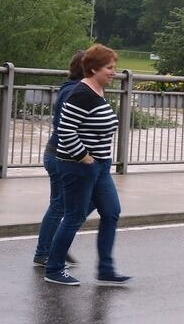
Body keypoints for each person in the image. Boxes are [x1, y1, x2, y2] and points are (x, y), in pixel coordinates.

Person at [44, 44, 130, 287]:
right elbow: (65, 129)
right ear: (93, 69)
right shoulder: (81, 93)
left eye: (114, 67)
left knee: (111, 212)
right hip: (78, 166)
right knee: (74, 217)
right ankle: (53, 268)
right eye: (109, 68)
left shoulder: (98, 91)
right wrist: (84, 157)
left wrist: (98, 161)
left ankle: (106, 269)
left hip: (100, 167)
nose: (114, 72)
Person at [32, 50, 85, 267]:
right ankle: (44, 252)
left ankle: (56, 247)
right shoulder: (75, 92)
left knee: (62, 206)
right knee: (60, 206)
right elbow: (68, 129)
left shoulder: (70, 89)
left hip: (57, 154)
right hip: (60, 156)